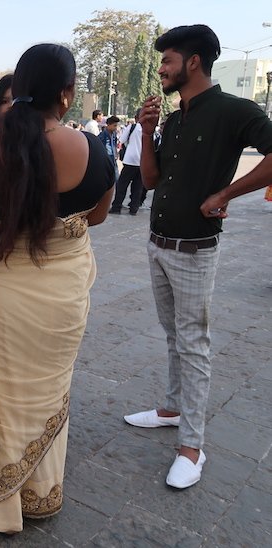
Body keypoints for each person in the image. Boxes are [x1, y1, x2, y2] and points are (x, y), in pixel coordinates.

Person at [0, 44, 114, 534]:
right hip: (60, 298)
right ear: (67, 94)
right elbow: (95, 215)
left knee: (2, 397)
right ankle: (39, 492)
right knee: (45, 393)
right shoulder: (93, 150)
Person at [125, 24, 272, 490]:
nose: (161, 69)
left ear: (192, 62)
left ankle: (193, 446)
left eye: (167, 61)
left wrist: (227, 192)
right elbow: (149, 181)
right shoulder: (174, 117)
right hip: (159, 243)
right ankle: (171, 409)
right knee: (174, 335)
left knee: (194, 344)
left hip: (194, 249)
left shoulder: (235, 110)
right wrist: (147, 132)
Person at [109, 109, 143, 215]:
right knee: (137, 187)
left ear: (136, 117)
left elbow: (122, 140)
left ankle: (116, 206)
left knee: (122, 185)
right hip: (142, 161)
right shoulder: (150, 129)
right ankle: (134, 208)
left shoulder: (132, 127)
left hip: (130, 160)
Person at [98, 115, 120, 180]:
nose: (116, 128)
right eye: (114, 125)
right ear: (108, 125)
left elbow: (115, 144)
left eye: (116, 125)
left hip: (113, 158)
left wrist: (116, 153)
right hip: (106, 158)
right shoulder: (102, 135)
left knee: (116, 177)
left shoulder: (114, 134)